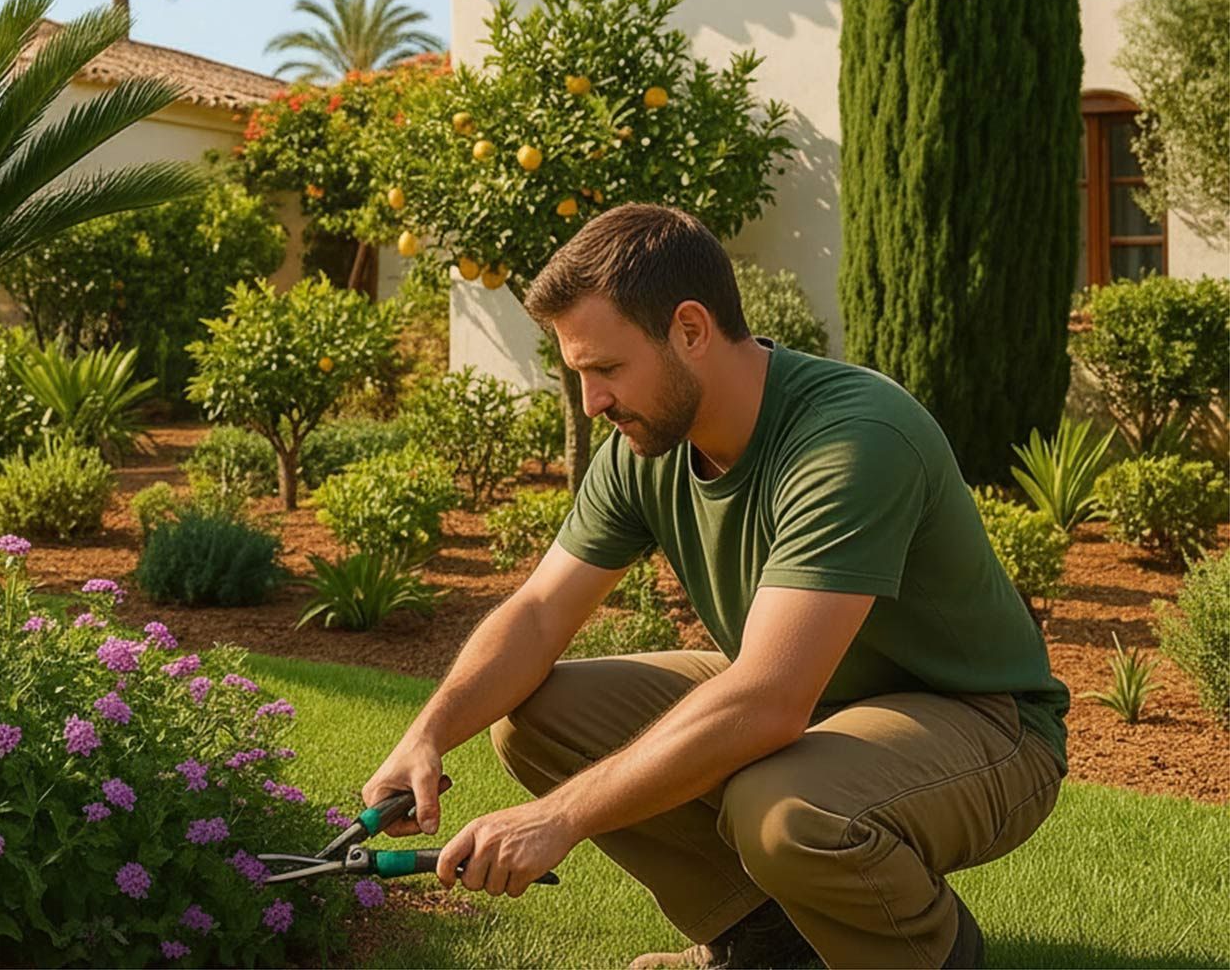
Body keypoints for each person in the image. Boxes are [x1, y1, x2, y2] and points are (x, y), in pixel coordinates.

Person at [362, 204, 1069, 970]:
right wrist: (428, 734)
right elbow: (536, 614)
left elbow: (768, 700)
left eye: (607, 369)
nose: (592, 401)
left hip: (983, 724)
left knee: (783, 812)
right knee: (537, 718)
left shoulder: (851, 438)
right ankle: (766, 945)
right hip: (821, 703)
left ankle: (933, 955)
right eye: (580, 375)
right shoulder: (647, 447)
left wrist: (558, 818)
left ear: (691, 330)